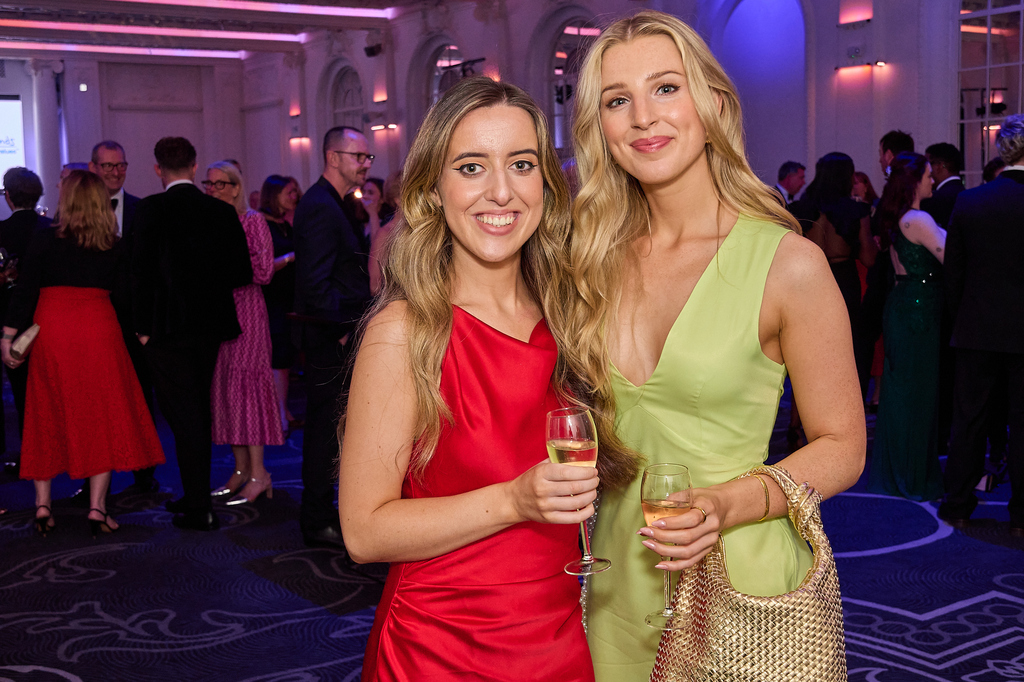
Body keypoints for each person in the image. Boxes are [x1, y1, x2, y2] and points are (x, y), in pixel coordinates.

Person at [566, 12, 866, 680]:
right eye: (617, 100)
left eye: (665, 88)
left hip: (739, 584)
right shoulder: (590, 260)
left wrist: (725, 504)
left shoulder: (787, 263)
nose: (643, 116)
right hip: (615, 584)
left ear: (715, 106)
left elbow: (844, 447)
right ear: (600, 128)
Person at [339, 75, 637, 682]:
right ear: (433, 189)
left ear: (545, 184)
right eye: (471, 167)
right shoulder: (405, 331)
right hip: (440, 649)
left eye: (521, 165)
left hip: (556, 636)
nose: (501, 191)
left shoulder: (571, 318)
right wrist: (513, 500)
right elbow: (364, 532)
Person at [1, 170, 164, 536]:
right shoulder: (112, 244)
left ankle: (43, 505)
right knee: (99, 416)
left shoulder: (45, 239)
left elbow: (25, 291)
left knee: (44, 412)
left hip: (52, 329)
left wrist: (8, 335)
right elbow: (127, 297)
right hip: (98, 330)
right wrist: (142, 332)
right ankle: (97, 508)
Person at [132, 137, 253, 532]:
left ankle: (199, 505)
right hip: (209, 327)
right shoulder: (220, 211)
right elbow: (240, 272)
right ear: (195, 166)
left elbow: (137, 275)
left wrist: (141, 329)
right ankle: (195, 497)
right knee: (196, 410)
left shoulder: (148, 210)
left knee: (184, 416)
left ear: (157, 169)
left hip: (165, 330)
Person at [292, 126, 376, 549]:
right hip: (331, 337)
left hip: (338, 333)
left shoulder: (335, 203)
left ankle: (326, 512)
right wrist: (341, 331)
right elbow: (315, 283)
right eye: (358, 156)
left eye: (367, 158)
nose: (365, 165)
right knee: (325, 430)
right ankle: (317, 517)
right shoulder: (320, 206)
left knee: (335, 427)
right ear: (332, 157)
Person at [939, 115, 1024, 533]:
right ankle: (1022, 516)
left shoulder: (970, 202)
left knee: (969, 420)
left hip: (976, 329)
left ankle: (958, 503)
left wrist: (962, 320)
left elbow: (953, 274)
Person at [867, 152, 946, 500]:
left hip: (905, 305)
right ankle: (910, 477)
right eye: (928, 175)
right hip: (918, 311)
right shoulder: (918, 219)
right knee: (916, 395)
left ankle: (901, 471)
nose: (933, 180)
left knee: (904, 392)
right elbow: (949, 255)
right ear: (915, 181)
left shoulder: (901, 216)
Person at [204, 161, 284, 504]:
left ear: (236, 187)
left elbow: (264, 272)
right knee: (226, 390)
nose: (213, 190)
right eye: (209, 184)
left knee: (247, 390)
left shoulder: (252, 221)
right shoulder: (209, 222)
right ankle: (239, 470)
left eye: (220, 184)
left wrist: (225, 264)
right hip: (217, 312)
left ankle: (259, 473)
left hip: (247, 311)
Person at [88, 140, 159, 497]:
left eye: (121, 166)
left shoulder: (142, 209)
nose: (116, 172)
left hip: (133, 321)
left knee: (140, 397)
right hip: (92, 320)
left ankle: (145, 474)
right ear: (93, 168)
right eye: (108, 166)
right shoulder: (78, 212)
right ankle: (92, 481)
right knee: (92, 402)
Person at [798, 152, 878, 393]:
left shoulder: (802, 207)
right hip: (843, 280)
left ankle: (807, 407)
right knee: (845, 348)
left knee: (809, 351)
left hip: (810, 281)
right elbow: (869, 258)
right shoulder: (856, 210)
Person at [0, 168, 50, 472]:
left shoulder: (2, 232)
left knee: (22, 392)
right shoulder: (53, 228)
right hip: (49, 318)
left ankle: (31, 452)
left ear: (8, 196)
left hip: (10, 320)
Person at [258, 175, 300, 433]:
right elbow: (261, 267)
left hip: (287, 299)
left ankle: (282, 410)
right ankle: (278, 416)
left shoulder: (285, 224)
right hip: (271, 300)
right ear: (274, 196)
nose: (294, 197)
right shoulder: (261, 223)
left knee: (284, 357)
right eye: (289, 193)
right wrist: (289, 258)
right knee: (277, 358)